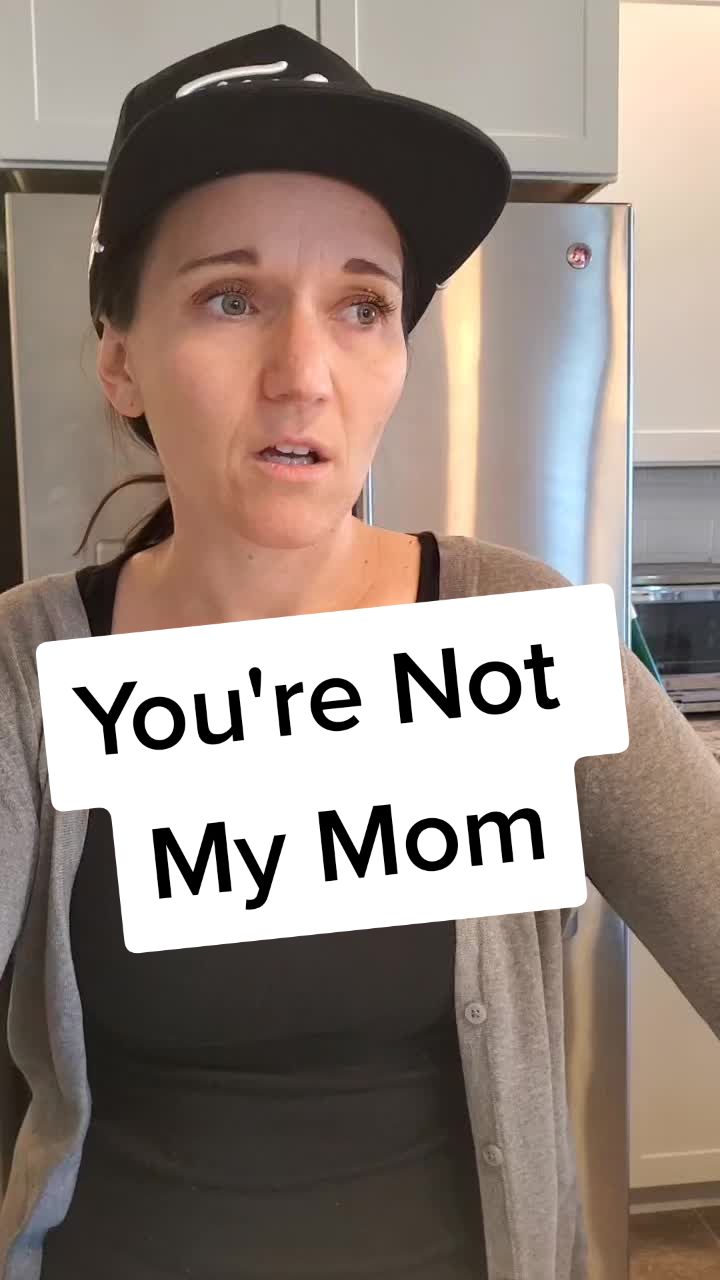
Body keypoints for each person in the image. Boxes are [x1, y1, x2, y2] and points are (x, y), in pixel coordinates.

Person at [0, 22, 718, 1280]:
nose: (304, 373)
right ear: (121, 361)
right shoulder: (30, 667)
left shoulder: (511, 631)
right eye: (231, 298)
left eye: (362, 306)